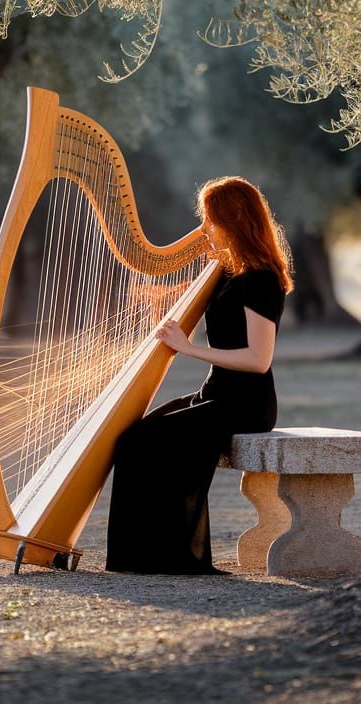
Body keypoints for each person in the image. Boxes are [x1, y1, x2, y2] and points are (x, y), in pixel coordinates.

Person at [105, 175, 294, 575]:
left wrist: (188, 349)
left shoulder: (261, 279)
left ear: (234, 218)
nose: (202, 229)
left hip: (245, 404)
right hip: (216, 393)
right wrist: (151, 297)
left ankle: (174, 557)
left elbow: (258, 360)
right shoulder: (226, 272)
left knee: (150, 442)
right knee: (133, 439)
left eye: (208, 219)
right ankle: (141, 556)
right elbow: (196, 301)